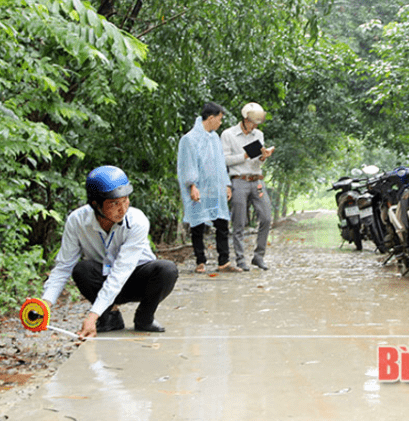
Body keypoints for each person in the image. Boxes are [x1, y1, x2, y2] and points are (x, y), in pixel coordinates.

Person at [41, 166, 179, 337]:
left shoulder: (137, 221)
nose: (123, 209)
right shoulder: (77, 221)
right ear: (95, 204)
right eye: (114, 203)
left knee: (167, 270)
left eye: (126, 200)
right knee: (82, 269)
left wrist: (92, 315)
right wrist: (44, 304)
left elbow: (122, 271)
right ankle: (110, 317)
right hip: (102, 279)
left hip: (135, 279)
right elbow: (63, 266)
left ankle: (145, 318)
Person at [177, 102, 238, 273]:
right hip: (198, 187)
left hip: (215, 188)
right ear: (211, 118)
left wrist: (226, 184)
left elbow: (220, 163)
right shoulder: (189, 139)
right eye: (219, 119)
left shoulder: (214, 138)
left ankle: (223, 261)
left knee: (222, 223)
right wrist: (192, 185)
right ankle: (200, 261)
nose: (220, 123)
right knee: (198, 223)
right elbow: (187, 164)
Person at [221, 102, 274, 271]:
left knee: (266, 217)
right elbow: (224, 160)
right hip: (238, 180)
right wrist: (244, 155)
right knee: (239, 222)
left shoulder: (258, 134)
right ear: (244, 119)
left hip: (257, 179)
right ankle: (240, 258)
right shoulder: (228, 134)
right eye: (252, 122)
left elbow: (258, 159)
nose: (254, 126)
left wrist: (263, 156)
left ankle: (259, 256)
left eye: (257, 123)